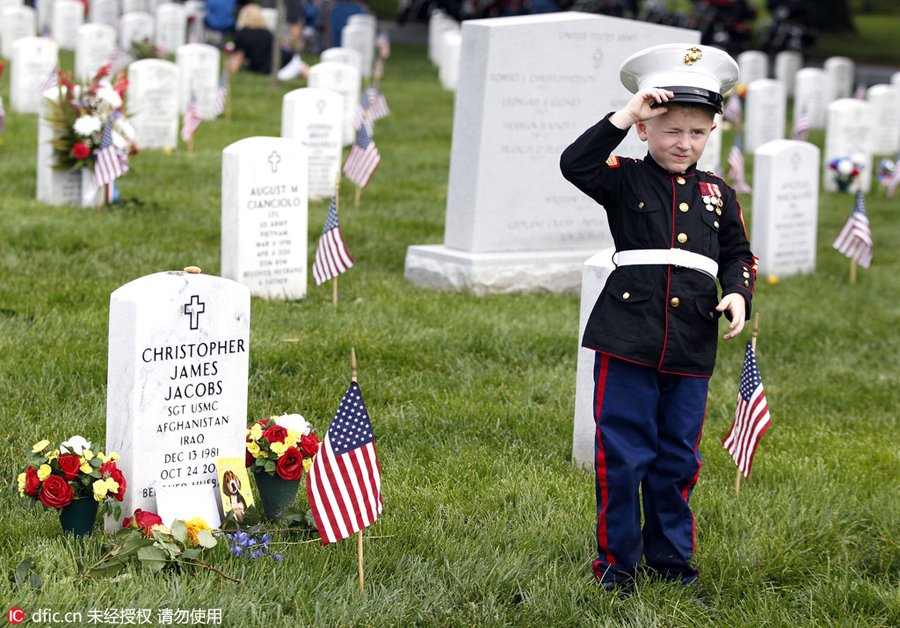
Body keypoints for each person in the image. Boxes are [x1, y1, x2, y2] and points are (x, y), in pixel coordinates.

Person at [559, 44, 756, 591]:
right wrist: (625, 113)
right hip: (627, 338)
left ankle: (671, 563)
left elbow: (739, 254)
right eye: (670, 130)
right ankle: (616, 566)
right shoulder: (622, 177)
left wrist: (738, 293)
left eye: (697, 132)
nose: (684, 143)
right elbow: (574, 163)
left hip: (692, 343)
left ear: (712, 133)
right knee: (622, 456)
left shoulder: (720, 194)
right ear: (646, 129)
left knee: (677, 460)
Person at [228, 3, 309, 80]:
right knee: (303, 69)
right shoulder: (267, 33)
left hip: (273, 71)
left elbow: (235, 63)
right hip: (288, 60)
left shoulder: (242, 35)